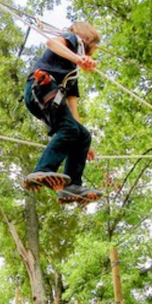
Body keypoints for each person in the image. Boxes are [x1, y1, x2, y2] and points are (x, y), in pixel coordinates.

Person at [22, 22, 103, 205]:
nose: (95, 50)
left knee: (81, 134)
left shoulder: (71, 74)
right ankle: (43, 168)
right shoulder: (72, 39)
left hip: (51, 97)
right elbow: (52, 43)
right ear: (88, 38)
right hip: (41, 88)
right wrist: (78, 59)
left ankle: (72, 185)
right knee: (69, 129)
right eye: (95, 45)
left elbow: (72, 106)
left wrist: (83, 144)